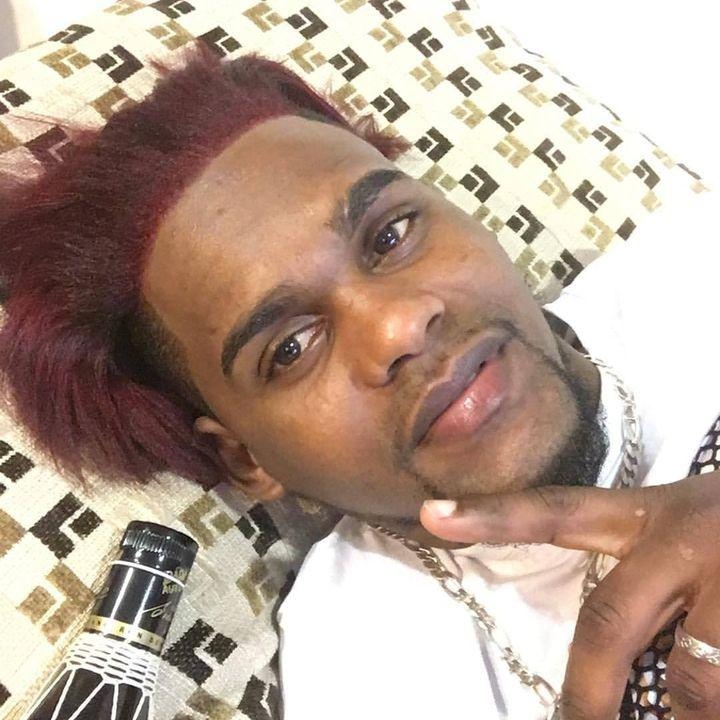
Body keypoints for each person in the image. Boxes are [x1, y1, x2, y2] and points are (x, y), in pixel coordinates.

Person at [1, 47, 718, 720]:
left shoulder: (694, 258)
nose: (399, 326)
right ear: (247, 459)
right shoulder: (366, 661)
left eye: (391, 235)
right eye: (290, 347)